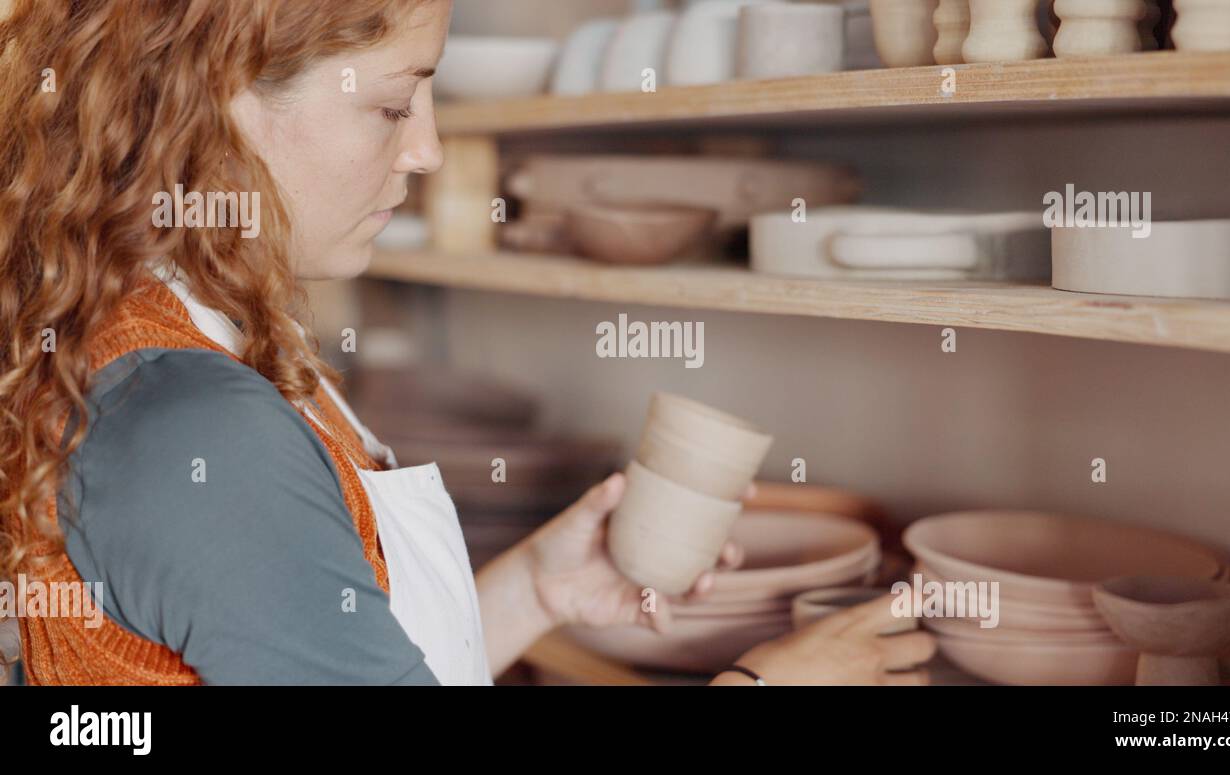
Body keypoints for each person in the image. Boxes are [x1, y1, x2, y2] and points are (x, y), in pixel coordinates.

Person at [0, 0, 935, 686]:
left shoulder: (191, 331)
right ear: (219, 104)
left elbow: (332, 648)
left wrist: (535, 587)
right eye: (394, 105)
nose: (429, 151)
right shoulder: (197, 427)